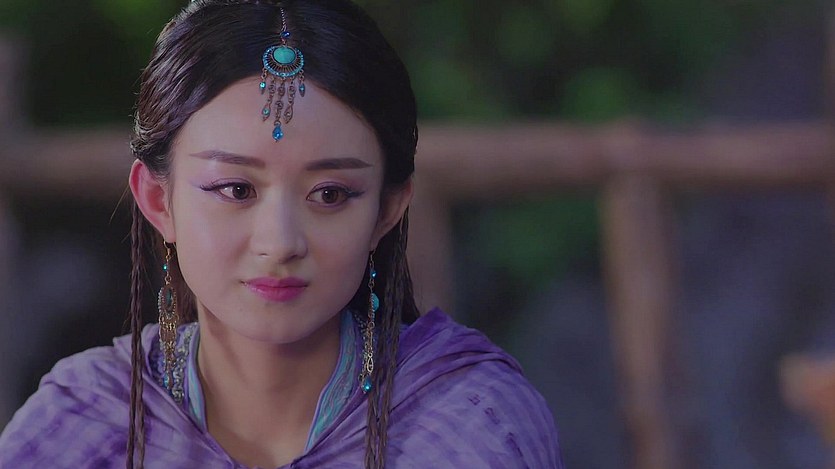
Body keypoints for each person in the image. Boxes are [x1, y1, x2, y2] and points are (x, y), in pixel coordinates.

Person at [0, 0, 563, 467]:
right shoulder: (84, 425)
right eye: (235, 189)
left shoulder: (472, 424)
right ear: (157, 199)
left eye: (330, 194)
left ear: (387, 210)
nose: (280, 242)